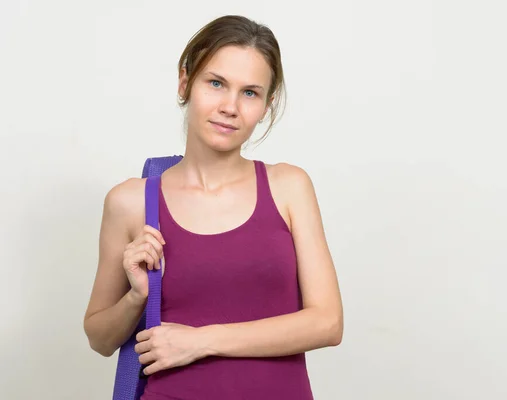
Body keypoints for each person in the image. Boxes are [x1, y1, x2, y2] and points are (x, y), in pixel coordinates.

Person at [83, 15, 343, 399]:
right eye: (216, 83)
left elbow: (327, 323)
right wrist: (138, 295)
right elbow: (100, 338)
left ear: (267, 105)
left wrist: (201, 341)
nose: (230, 106)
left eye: (250, 93)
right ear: (185, 81)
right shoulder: (131, 201)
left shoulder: (289, 187)